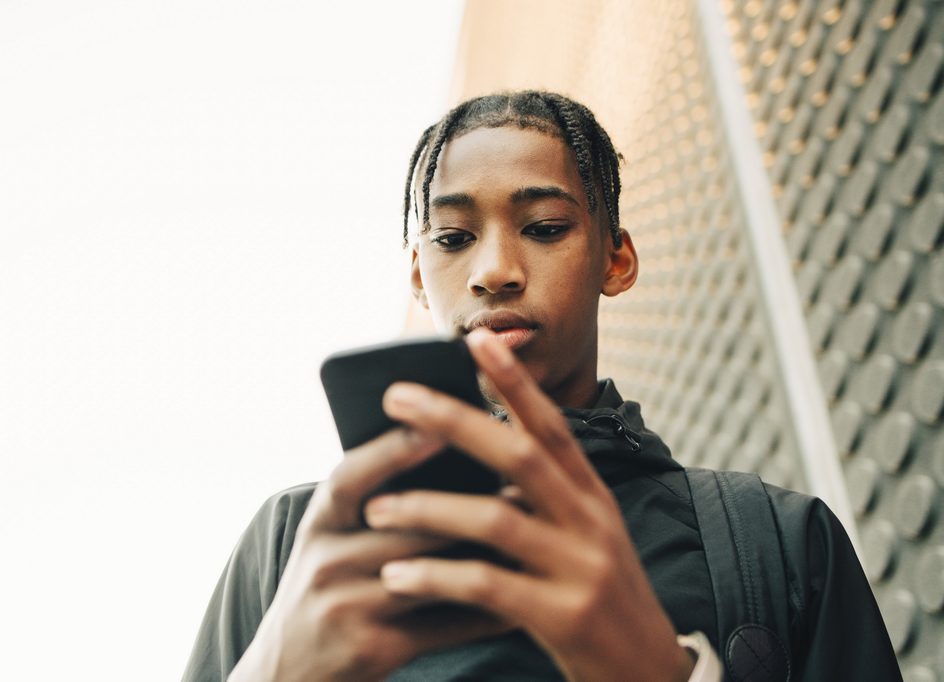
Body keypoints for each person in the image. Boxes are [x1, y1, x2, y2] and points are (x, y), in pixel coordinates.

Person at [182, 91, 901, 681]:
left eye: (545, 226)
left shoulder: (778, 542)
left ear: (616, 260)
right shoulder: (295, 547)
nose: (494, 269)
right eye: (454, 237)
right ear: (418, 280)